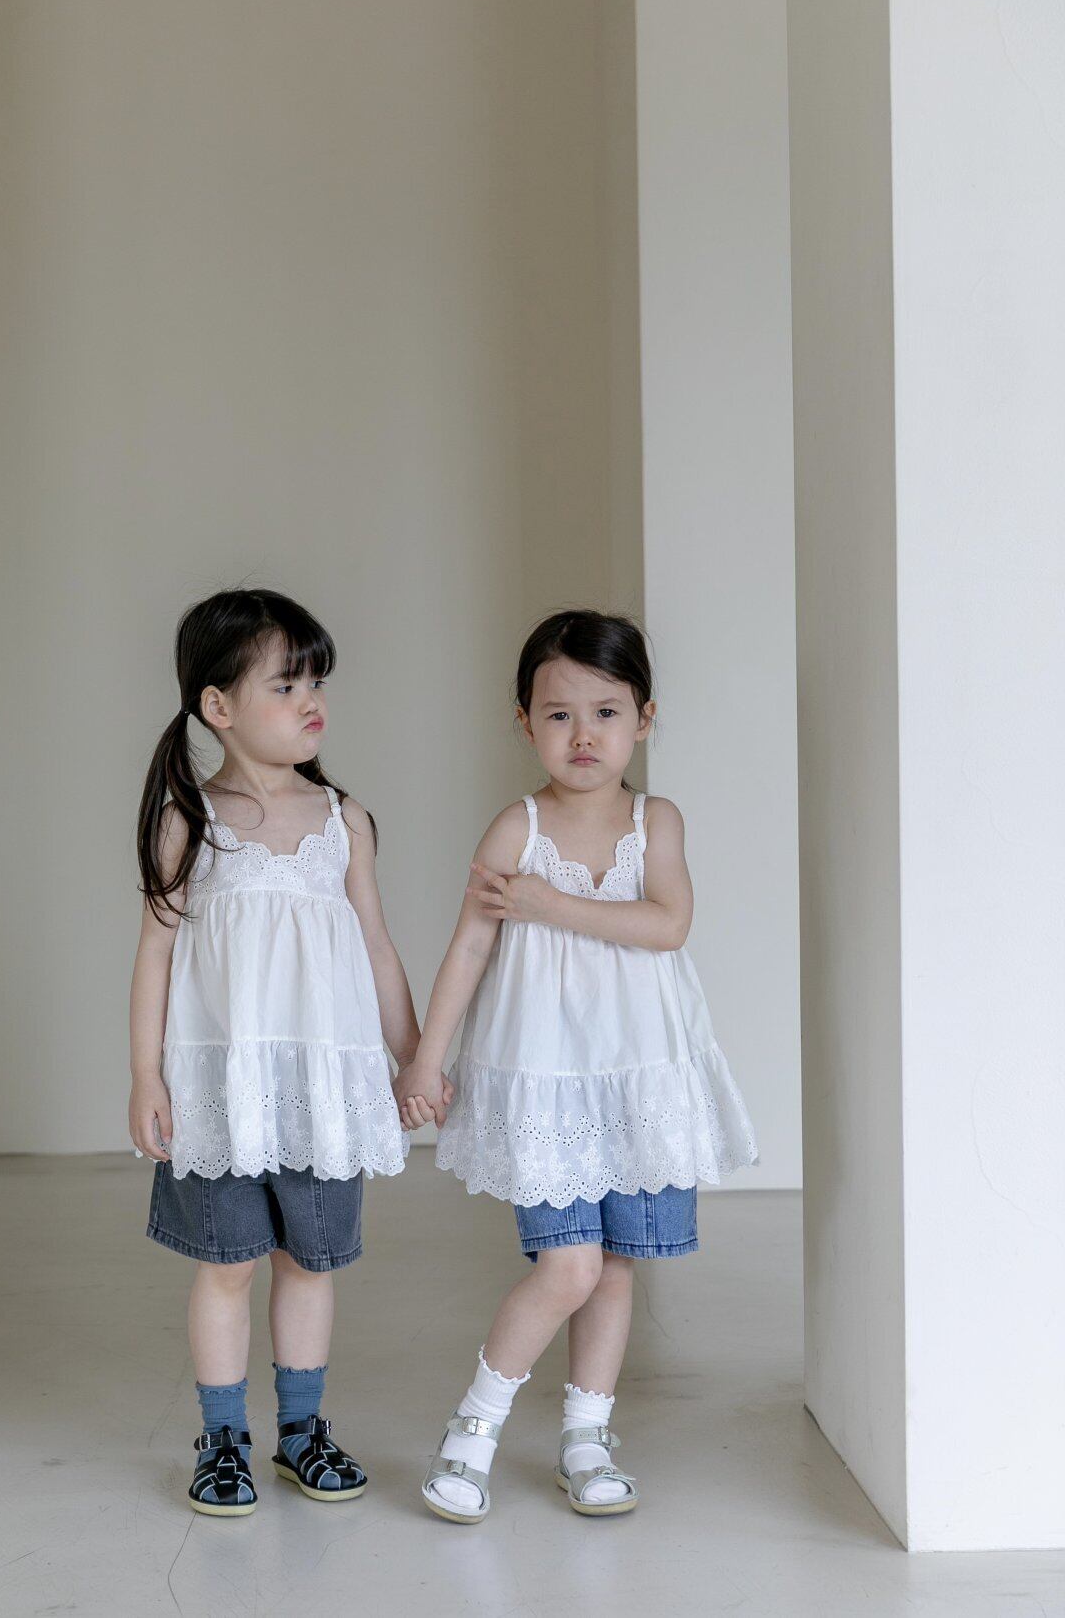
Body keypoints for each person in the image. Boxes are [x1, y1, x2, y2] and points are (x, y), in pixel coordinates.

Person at [395, 608, 758, 1522]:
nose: (583, 734)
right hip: (547, 1081)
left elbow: (667, 923)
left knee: (618, 1265)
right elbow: (469, 947)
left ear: (644, 718)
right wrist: (426, 1061)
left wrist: (551, 905)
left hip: (638, 1077)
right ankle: (473, 1428)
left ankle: (586, 1437)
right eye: (559, 714)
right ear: (525, 722)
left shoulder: (654, 821)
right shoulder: (515, 830)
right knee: (567, 1265)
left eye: (606, 711)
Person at [130, 587, 428, 1517]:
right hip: (223, 1089)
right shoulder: (191, 819)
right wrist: (145, 1074)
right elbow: (156, 952)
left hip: (320, 1089)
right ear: (218, 705)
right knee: (225, 1263)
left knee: (310, 1260)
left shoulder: (343, 820)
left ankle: (301, 1429)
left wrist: (412, 1056)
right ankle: (222, 1438)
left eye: (317, 682)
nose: (312, 702)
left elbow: (377, 947)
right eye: (287, 685)